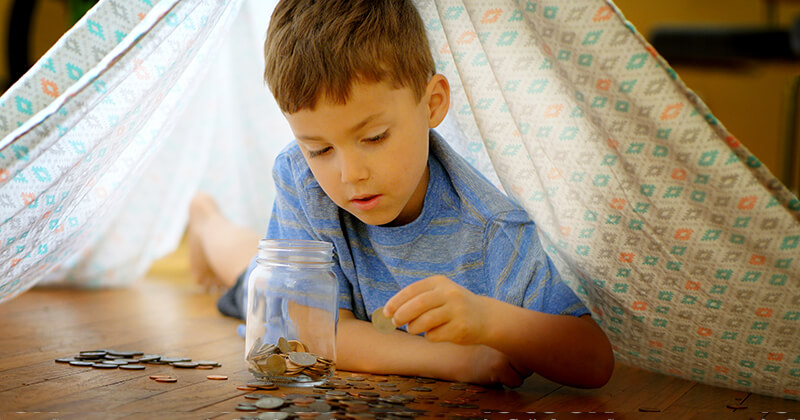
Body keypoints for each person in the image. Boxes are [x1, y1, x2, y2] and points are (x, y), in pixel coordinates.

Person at [188, 0, 614, 389]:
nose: (350, 175)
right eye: (319, 149)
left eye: (373, 137)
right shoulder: (303, 178)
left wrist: (490, 321)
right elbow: (307, 332)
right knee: (248, 275)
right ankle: (205, 218)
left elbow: (594, 360)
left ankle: (207, 219)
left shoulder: (490, 231)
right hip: (287, 298)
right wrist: (457, 360)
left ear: (432, 104)